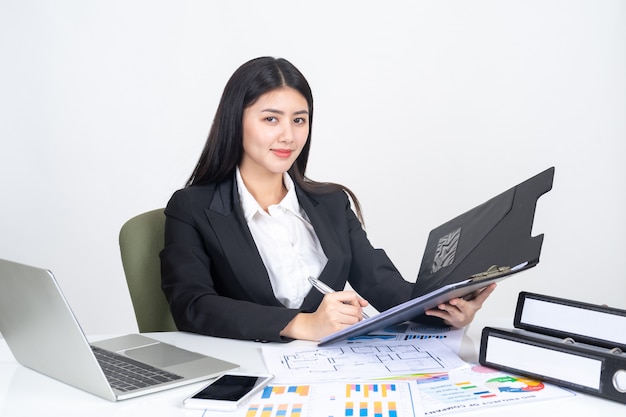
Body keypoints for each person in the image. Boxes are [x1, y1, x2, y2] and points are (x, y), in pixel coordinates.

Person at [160, 56, 495, 342]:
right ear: (236, 121)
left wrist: (446, 310)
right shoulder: (192, 208)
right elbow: (192, 305)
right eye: (271, 119)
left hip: (329, 371)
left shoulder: (332, 203)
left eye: (299, 120)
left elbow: (383, 285)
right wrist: (304, 324)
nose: (288, 136)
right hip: (251, 371)